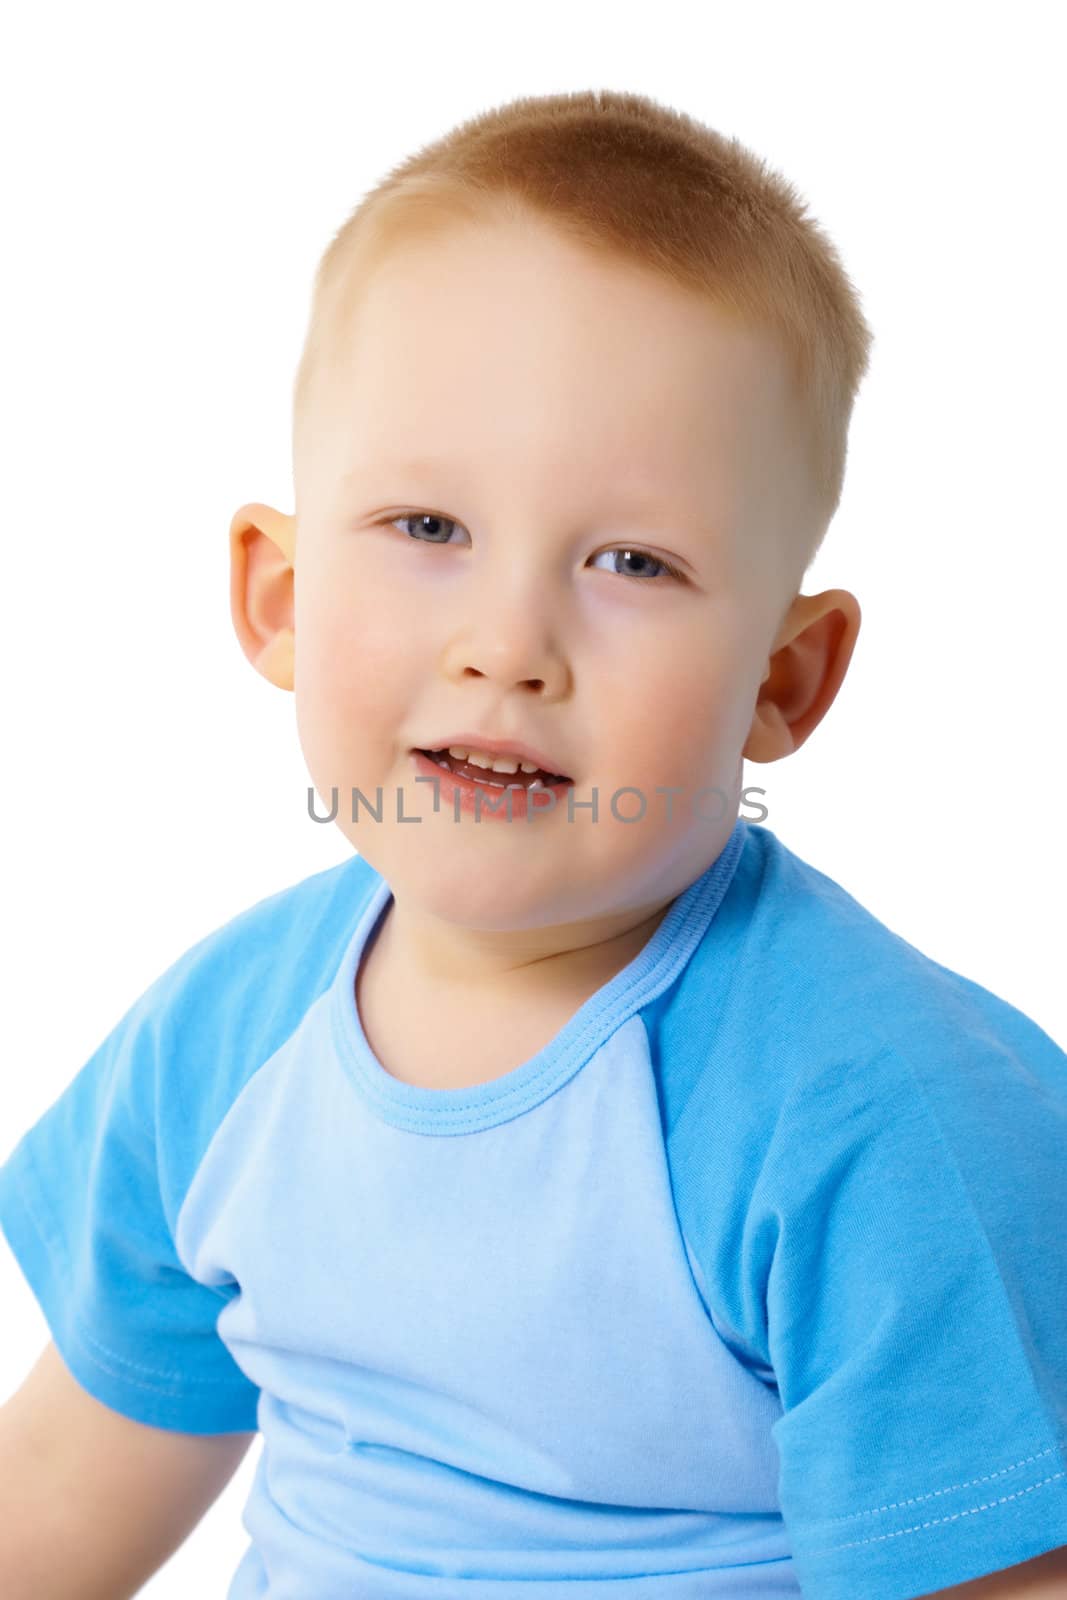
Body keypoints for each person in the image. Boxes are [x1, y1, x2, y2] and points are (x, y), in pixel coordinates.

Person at [1, 88, 1065, 1600]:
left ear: (786, 681)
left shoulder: (876, 1117)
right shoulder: (226, 1042)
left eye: (632, 561)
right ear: (279, 601)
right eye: (429, 527)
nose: (509, 645)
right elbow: (56, 1499)